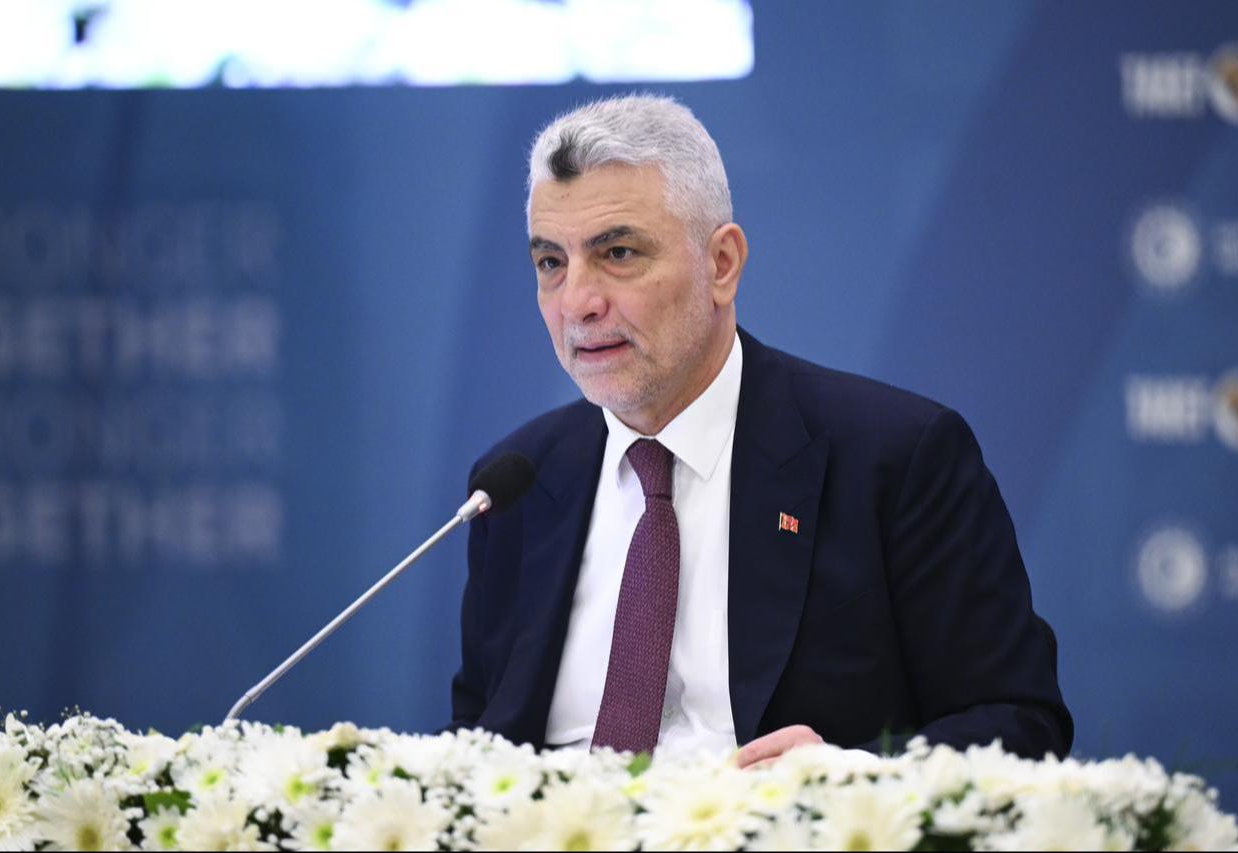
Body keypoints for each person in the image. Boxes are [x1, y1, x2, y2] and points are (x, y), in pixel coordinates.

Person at [450, 94, 1072, 766]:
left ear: (721, 264)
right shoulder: (517, 482)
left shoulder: (897, 459)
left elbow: (1020, 723)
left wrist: (850, 778)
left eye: (619, 252)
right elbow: (474, 753)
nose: (578, 301)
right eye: (551, 263)